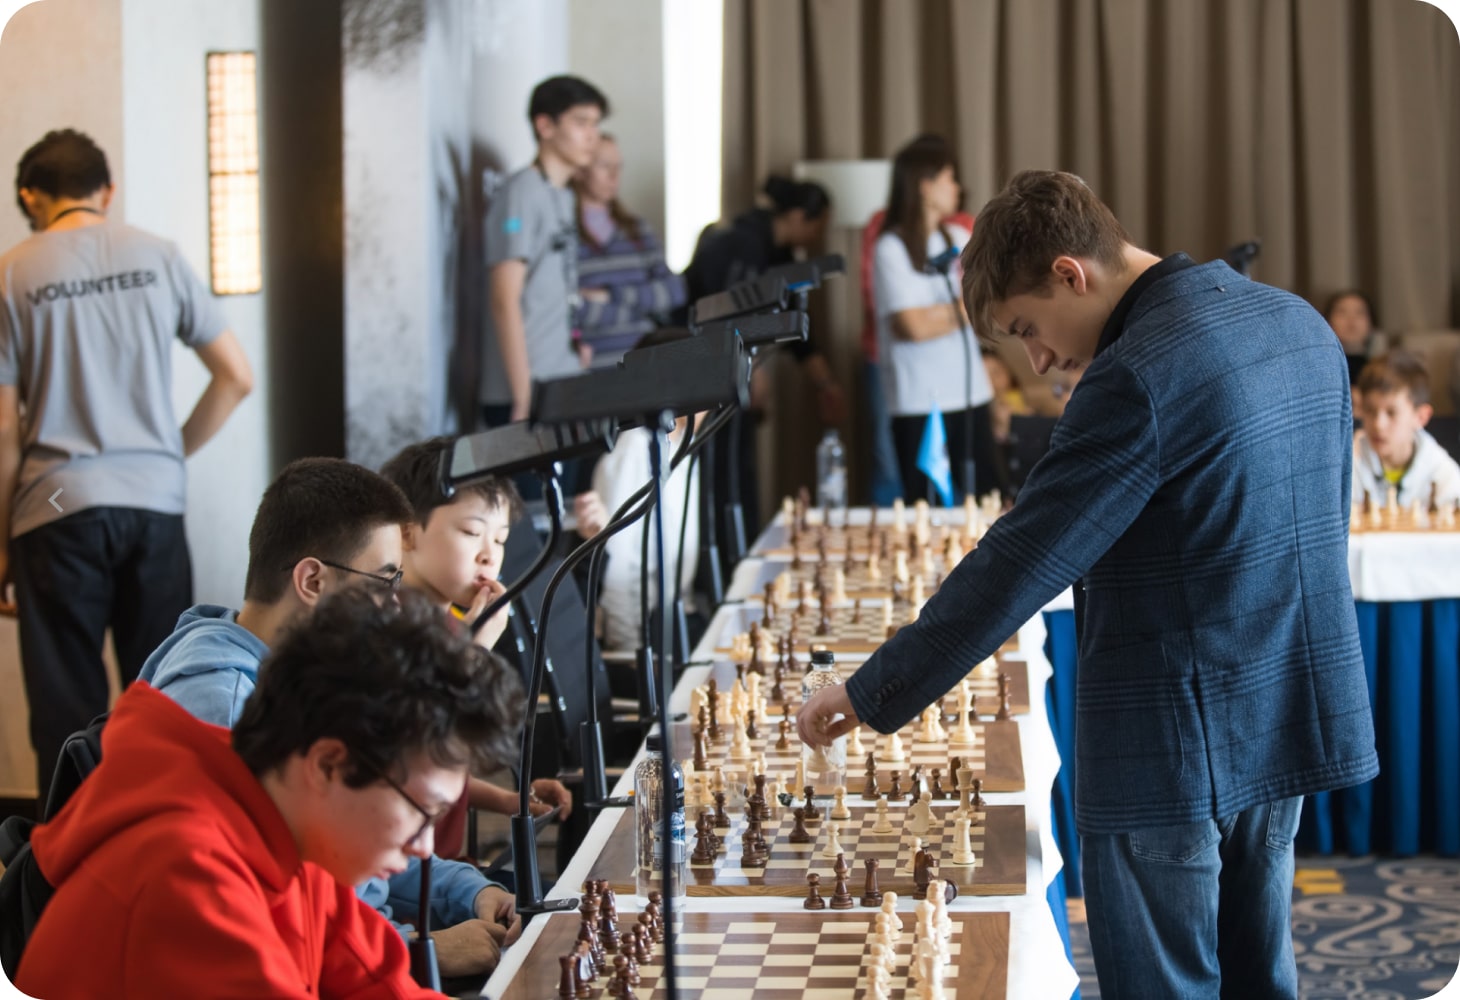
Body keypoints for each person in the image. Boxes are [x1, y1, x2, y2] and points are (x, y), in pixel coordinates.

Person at [799, 170, 1378, 999]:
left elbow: (1021, 561)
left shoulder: (1136, 372)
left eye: (1028, 328)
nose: (1038, 359)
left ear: (1072, 274)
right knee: (1261, 976)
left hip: (1171, 742)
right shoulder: (1296, 321)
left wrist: (869, 692)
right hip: (1281, 708)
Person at [16, 586, 523, 998]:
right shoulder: (189, 881)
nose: (424, 848)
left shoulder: (291, 830)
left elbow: (378, 984)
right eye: (420, 813)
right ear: (329, 763)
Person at [134, 457, 521, 981]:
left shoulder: (303, 681)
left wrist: (468, 891)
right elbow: (257, 933)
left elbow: (365, 839)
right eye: (383, 583)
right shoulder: (220, 707)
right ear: (312, 579)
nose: (391, 605)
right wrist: (417, 952)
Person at [0, 129, 254, 808]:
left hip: (54, 504)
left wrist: (1, 548)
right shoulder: (160, 256)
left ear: (31, 195)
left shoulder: (12, 270)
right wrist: (166, 452)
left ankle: (65, 875)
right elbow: (236, 377)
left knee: (65, 705)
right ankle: (169, 844)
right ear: (105, 191)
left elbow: (2, 430)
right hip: (154, 501)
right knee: (170, 692)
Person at [380, 437, 574, 839]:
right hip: (408, 875)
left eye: (500, 539)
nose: (490, 556)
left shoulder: (453, 624)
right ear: (407, 534)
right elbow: (409, 754)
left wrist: (509, 799)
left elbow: (445, 768)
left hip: (452, 866)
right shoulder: (383, 629)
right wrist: (477, 646)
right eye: (472, 532)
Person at [680, 175, 848, 541]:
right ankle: (724, 561)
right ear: (800, 217)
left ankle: (740, 550)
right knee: (723, 474)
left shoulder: (780, 256)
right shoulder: (741, 245)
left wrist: (826, 385)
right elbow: (722, 318)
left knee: (740, 470)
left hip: (732, 376)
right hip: (704, 376)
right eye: (819, 225)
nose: (820, 235)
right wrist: (751, 371)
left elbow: (800, 338)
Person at [872, 138, 998, 502]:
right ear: (925, 186)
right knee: (924, 507)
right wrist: (962, 308)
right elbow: (913, 327)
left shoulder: (958, 237)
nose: (957, 188)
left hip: (971, 394)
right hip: (918, 401)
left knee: (988, 499)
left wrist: (943, 313)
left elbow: (987, 304)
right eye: (949, 178)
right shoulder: (890, 249)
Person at [587, 330, 702, 652]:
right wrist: (633, 656)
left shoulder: (684, 440)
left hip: (677, 616)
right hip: (645, 635)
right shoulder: (635, 449)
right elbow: (618, 572)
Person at [571, 134, 686, 369]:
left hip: (646, 369)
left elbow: (675, 291)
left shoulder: (636, 230)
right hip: (590, 371)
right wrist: (639, 309)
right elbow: (566, 308)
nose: (614, 176)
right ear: (580, 170)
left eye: (618, 167)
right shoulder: (565, 234)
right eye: (605, 166)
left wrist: (609, 296)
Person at [1351, 351, 1460, 508]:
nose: (1378, 424)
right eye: (1370, 410)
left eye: (1391, 413)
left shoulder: (1442, 471)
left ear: (1421, 417)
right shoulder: (1348, 462)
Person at [1324, 289, 1385, 410]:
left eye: (1360, 313)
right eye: (1342, 312)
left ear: (1372, 324)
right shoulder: (1320, 366)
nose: (1351, 320)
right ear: (1327, 322)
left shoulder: (1382, 368)